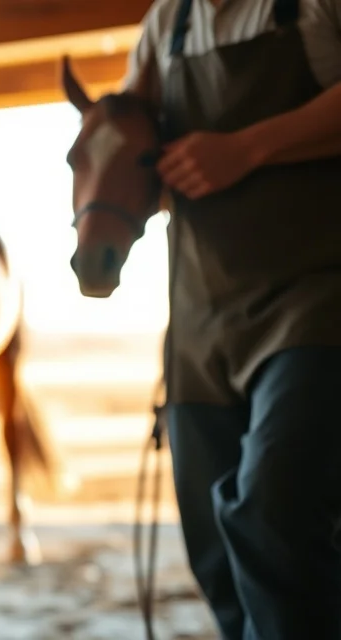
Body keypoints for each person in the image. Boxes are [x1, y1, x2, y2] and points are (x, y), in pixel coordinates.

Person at [121, 0, 341, 637]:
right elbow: (129, 130)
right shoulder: (168, 24)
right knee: (213, 547)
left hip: (314, 299)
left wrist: (246, 148)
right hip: (201, 320)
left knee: (276, 508)